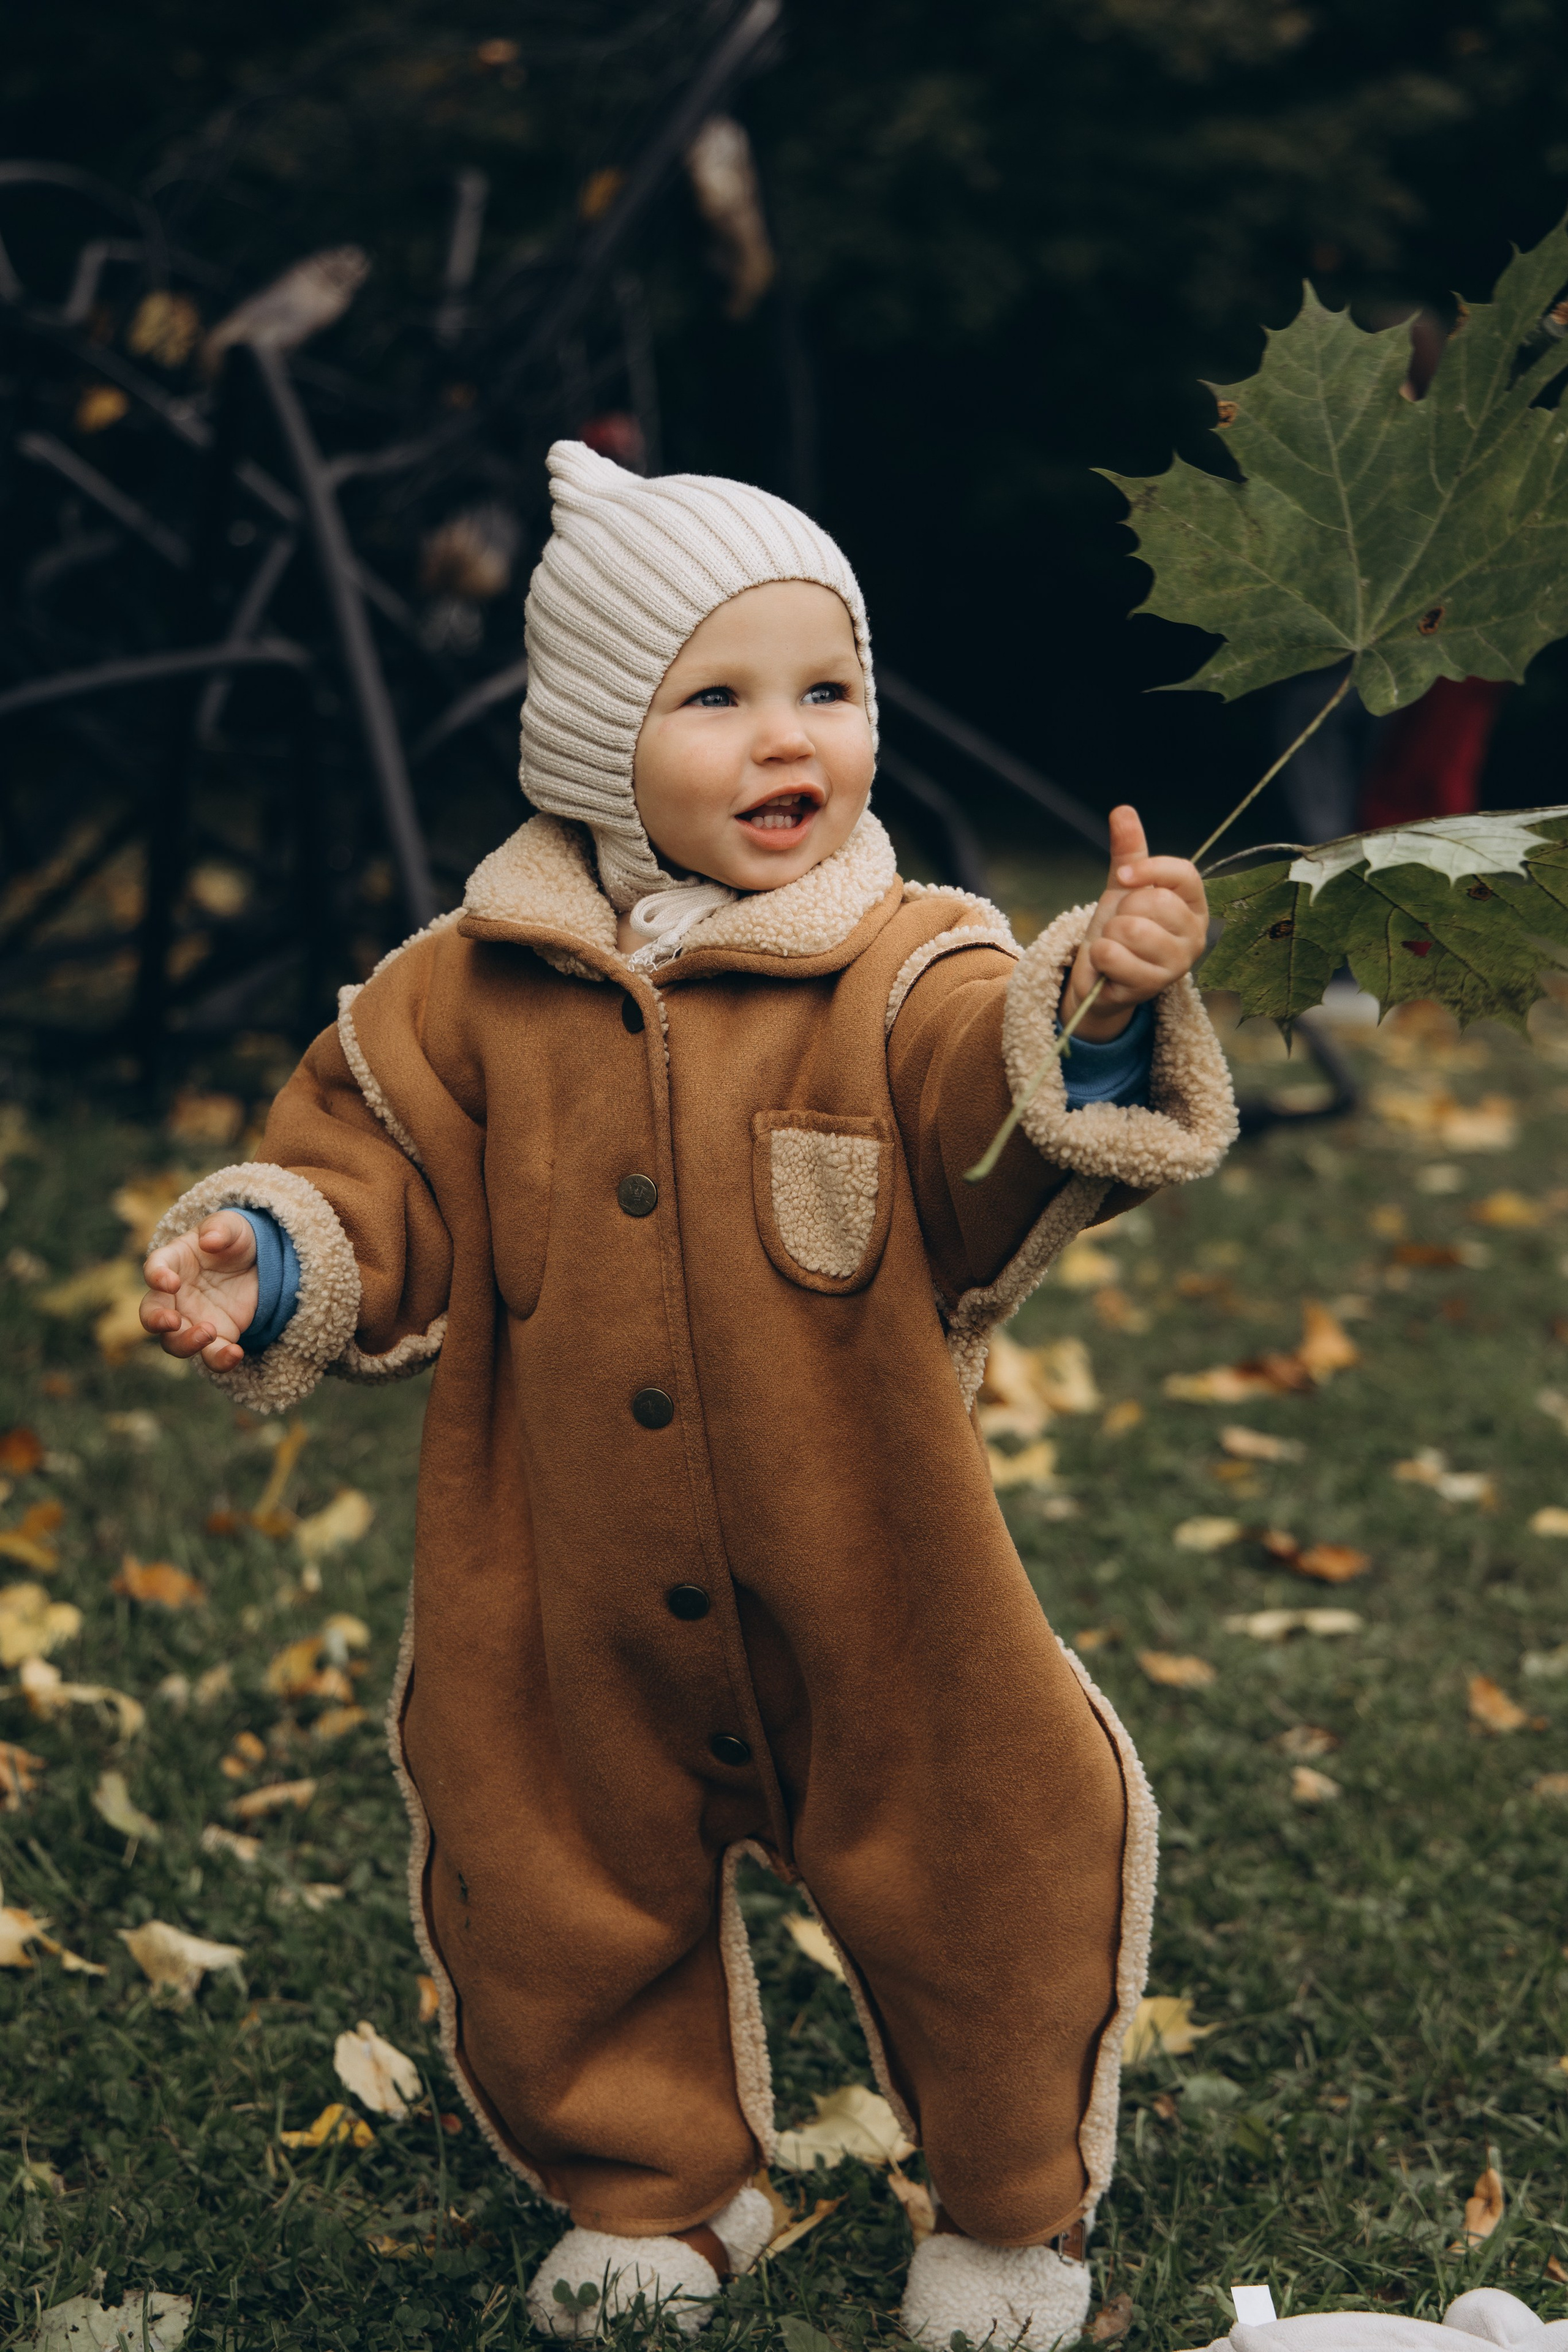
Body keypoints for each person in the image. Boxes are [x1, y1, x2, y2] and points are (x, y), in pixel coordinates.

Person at [140, 443, 1237, 2346]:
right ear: (591, 742)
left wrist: (1099, 1009)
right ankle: (655, 2187)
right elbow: (375, 1174)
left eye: (829, 687)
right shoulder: (464, 993)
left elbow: (982, 1098)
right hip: (563, 1571)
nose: (787, 735)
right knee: (551, 1869)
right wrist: (281, 1252)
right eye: (716, 697)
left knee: (986, 1849)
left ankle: (1010, 2213)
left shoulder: (909, 964)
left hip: (870, 1556)